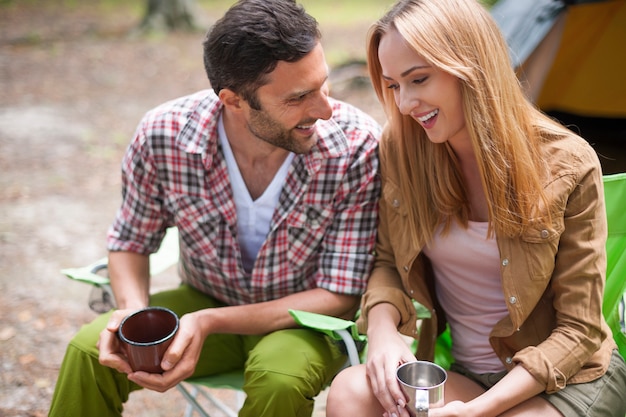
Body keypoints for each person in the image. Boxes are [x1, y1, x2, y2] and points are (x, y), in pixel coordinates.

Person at [48, 1, 381, 416]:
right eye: (299, 97)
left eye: (323, 84)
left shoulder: (357, 146)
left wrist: (210, 322)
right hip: (207, 299)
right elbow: (131, 241)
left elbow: (338, 295)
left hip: (304, 324)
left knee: (280, 380)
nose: (325, 109)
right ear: (234, 100)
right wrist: (134, 318)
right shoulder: (163, 135)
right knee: (89, 350)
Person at [325, 0, 626, 416]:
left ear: (471, 65)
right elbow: (388, 260)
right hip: (468, 375)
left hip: (565, 379)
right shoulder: (401, 147)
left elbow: (580, 330)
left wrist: (479, 410)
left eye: (419, 79)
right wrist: (381, 332)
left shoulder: (568, 162)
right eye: (393, 85)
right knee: (350, 392)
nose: (406, 103)